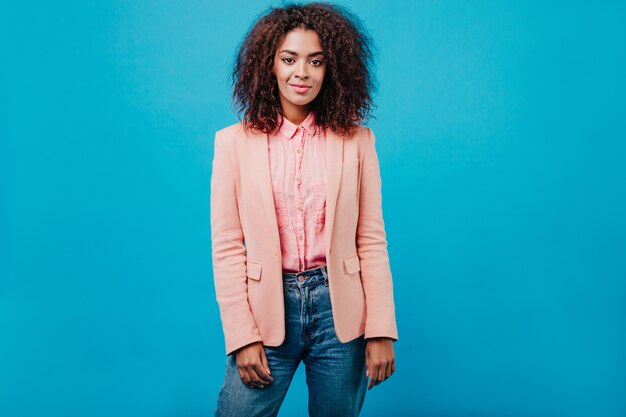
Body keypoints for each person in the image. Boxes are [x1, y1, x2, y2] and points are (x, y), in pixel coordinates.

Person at [210, 2, 398, 416]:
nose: (302, 72)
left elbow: (371, 238)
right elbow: (226, 247)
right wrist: (241, 335)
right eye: (289, 59)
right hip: (266, 310)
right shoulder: (232, 144)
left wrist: (382, 328)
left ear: (332, 69)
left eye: (316, 61)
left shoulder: (357, 141)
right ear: (270, 65)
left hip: (341, 313)